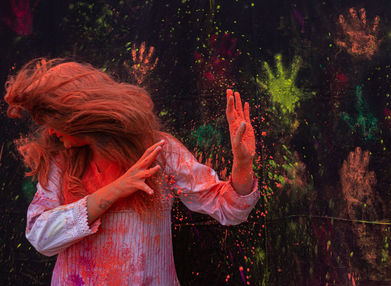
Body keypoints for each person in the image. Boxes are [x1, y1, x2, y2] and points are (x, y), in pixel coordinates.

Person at [4, 58, 260, 285]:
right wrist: (116, 189)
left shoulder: (160, 151)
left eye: (54, 122)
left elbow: (229, 209)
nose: (50, 132)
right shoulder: (59, 162)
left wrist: (242, 164)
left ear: (78, 117)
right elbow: (40, 237)